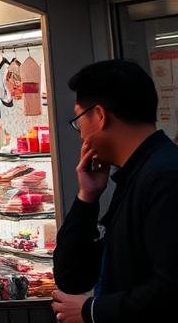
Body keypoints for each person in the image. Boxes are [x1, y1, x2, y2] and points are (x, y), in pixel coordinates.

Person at [51, 59, 178, 323]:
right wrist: (87, 197)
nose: (80, 133)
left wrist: (93, 311)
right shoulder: (137, 174)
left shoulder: (164, 177)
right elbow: (72, 277)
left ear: (99, 115)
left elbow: (170, 287)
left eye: (78, 119)